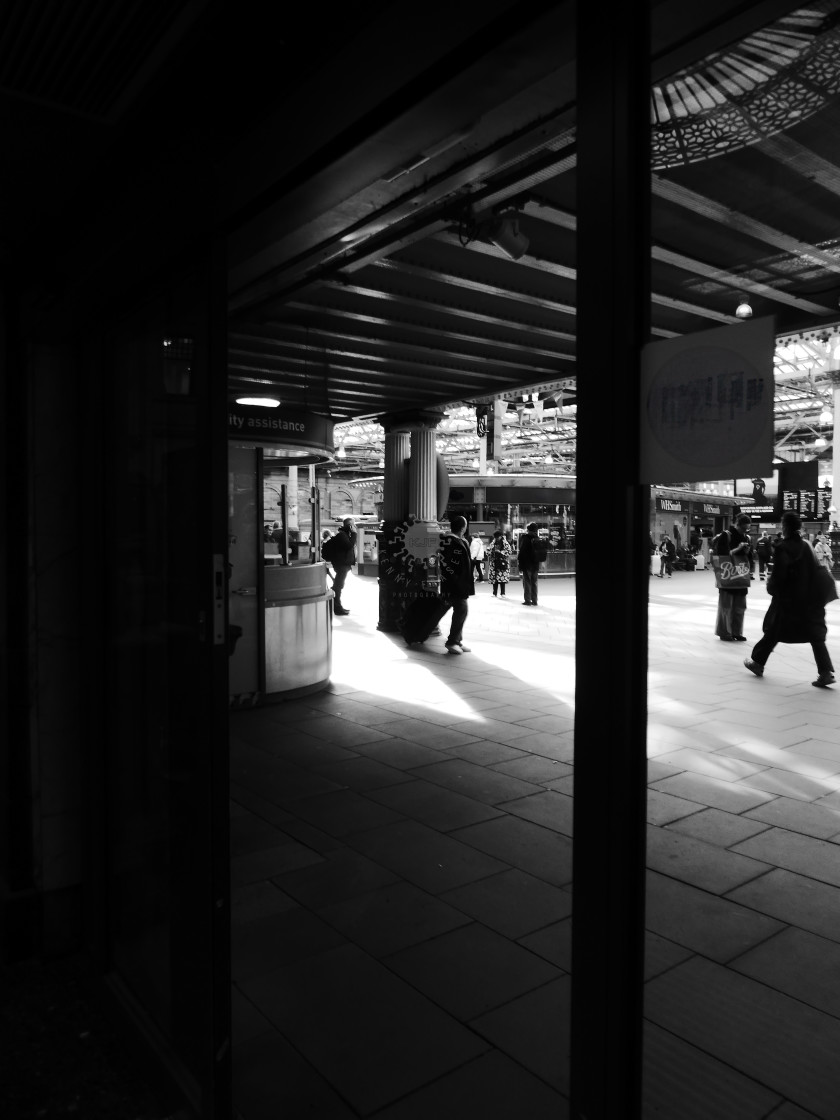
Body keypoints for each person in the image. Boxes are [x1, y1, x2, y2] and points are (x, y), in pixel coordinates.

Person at [744, 511, 835, 688]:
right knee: (815, 634)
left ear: (785, 527)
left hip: (789, 599)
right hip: (810, 599)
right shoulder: (807, 545)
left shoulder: (783, 547)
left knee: (774, 629)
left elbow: (780, 574)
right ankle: (825, 672)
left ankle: (757, 663)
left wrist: (772, 587)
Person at [713, 514, 752, 641]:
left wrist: (746, 551)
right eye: (743, 529)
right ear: (737, 524)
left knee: (740, 606)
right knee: (726, 606)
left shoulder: (746, 537)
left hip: (740, 574)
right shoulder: (726, 535)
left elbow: (748, 558)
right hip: (728, 574)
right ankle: (725, 632)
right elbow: (722, 555)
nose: (744, 531)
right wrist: (738, 549)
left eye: (747, 529)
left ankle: (736, 632)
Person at [439, 515, 474, 653]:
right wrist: (455, 580)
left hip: (460, 584)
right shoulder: (450, 541)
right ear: (463, 528)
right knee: (461, 609)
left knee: (454, 610)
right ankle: (453, 642)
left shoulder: (460, 541)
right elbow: (446, 564)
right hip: (454, 585)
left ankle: (456, 641)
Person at [329, 517, 357, 615]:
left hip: (343, 564)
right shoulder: (342, 535)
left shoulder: (344, 534)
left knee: (338, 585)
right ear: (349, 526)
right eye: (353, 525)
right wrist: (354, 534)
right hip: (341, 565)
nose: (354, 527)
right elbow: (349, 546)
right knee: (338, 586)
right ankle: (337, 608)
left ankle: (338, 606)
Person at [518, 522, 541, 605]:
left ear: (528, 530)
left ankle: (527, 600)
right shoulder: (537, 538)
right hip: (536, 564)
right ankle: (534, 600)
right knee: (534, 582)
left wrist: (520, 564)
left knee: (527, 582)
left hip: (527, 564)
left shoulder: (525, 538)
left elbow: (522, 552)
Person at [487, 529, 513, 597]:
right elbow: (488, 552)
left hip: (502, 562)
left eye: (498, 537)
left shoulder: (505, 543)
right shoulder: (493, 543)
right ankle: (494, 593)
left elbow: (509, 551)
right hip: (494, 562)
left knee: (502, 578)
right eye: (495, 537)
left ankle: (503, 593)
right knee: (494, 578)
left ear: (501, 536)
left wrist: (501, 552)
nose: (497, 538)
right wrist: (491, 552)